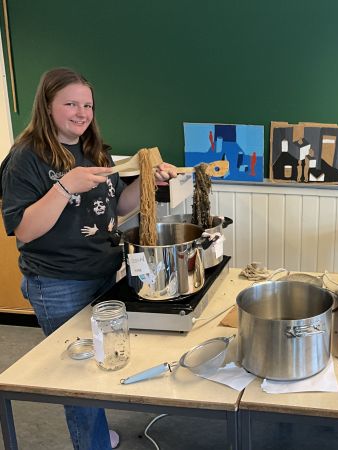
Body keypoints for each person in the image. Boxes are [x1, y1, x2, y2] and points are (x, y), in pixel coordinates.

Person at [0, 67, 177, 450]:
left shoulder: (94, 149)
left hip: (103, 273)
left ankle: (95, 434)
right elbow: (24, 229)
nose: (81, 113)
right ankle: (91, 443)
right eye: (70, 104)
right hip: (58, 283)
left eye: (87, 105)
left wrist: (148, 182)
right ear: (47, 106)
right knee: (75, 375)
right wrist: (65, 187)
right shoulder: (25, 158)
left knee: (101, 357)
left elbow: (118, 207)